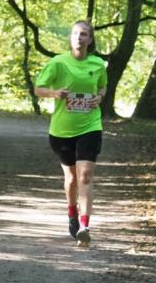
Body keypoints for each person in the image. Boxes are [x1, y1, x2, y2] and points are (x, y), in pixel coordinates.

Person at [33, 20, 107, 247]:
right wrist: (56, 93)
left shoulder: (98, 64)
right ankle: (72, 212)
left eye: (84, 34)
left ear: (90, 39)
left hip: (90, 125)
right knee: (72, 178)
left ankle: (85, 227)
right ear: (70, 37)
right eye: (75, 34)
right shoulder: (58, 63)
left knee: (85, 176)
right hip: (62, 130)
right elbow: (38, 89)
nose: (79, 38)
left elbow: (103, 86)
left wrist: (100, 97)